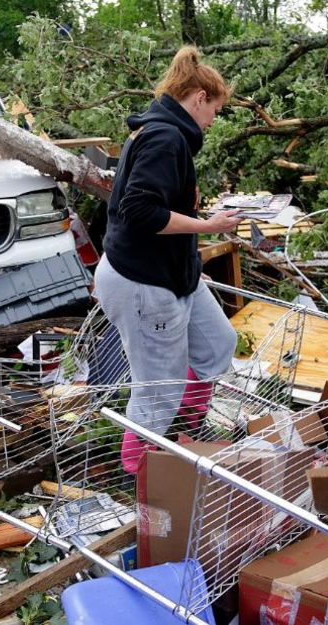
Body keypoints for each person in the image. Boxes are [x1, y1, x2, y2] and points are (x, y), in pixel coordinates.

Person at [93, 46, 241, 473]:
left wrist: (199, 211)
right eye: (214, 109)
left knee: (218, 345)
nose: (213, 120)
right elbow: (140, 212)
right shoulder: (164, 137)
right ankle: (139, 478)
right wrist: (208, 227)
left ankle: (187, 432)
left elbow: (153, 198)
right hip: (143, 282)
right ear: (198, 99)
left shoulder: (162, 132)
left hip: (174, 272)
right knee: (159, 390)